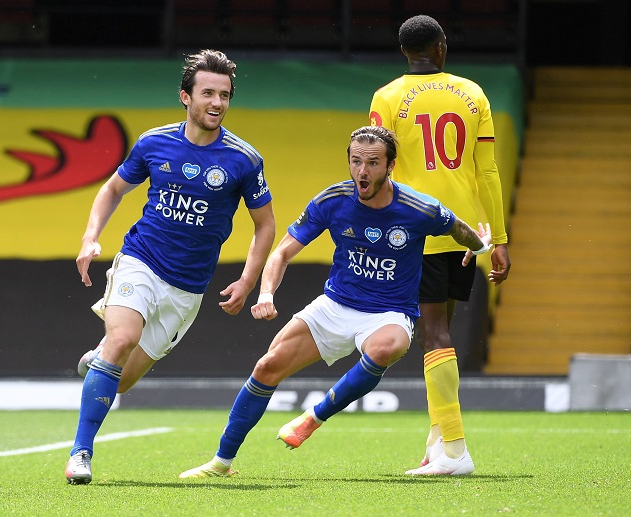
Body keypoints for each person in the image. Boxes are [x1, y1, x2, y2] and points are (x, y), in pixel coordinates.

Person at [179, 125, 492, 479]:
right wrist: (266, 293)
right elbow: (281, 253)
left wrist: (480, 245)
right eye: (356, 161)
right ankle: (221, 463)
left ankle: (314, 417)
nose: (362, 171)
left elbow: (457, 227)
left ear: (390, 166)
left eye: (373, 162)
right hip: (336, 305)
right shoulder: (332, 201)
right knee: (267, 366)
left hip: (390, 313)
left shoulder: (418, 208)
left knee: (388, 346)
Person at [64, 49, 276, 484]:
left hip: (188, 289)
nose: (217, 102)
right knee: (122, 338)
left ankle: (100, 360)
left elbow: (265, 224)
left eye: (225, 95)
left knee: (119, 381)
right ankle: (81, 454)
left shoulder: (243, 159)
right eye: (208, 93)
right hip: (140, 261)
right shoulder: (153, 142)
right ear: (186, 96)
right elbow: (112, 189)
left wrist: (248, 280)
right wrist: (90, 237)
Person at [368, 14, 511, 475]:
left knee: (433, 335)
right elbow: (486, 172)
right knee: (441, 332)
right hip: (466, 232)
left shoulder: (387, 97)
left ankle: (454, 450)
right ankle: (437, 439)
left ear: (404, 52)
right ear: (442, 48)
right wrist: (498, 239)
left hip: (416, 230)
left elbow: (376, 168)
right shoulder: (473, 93)